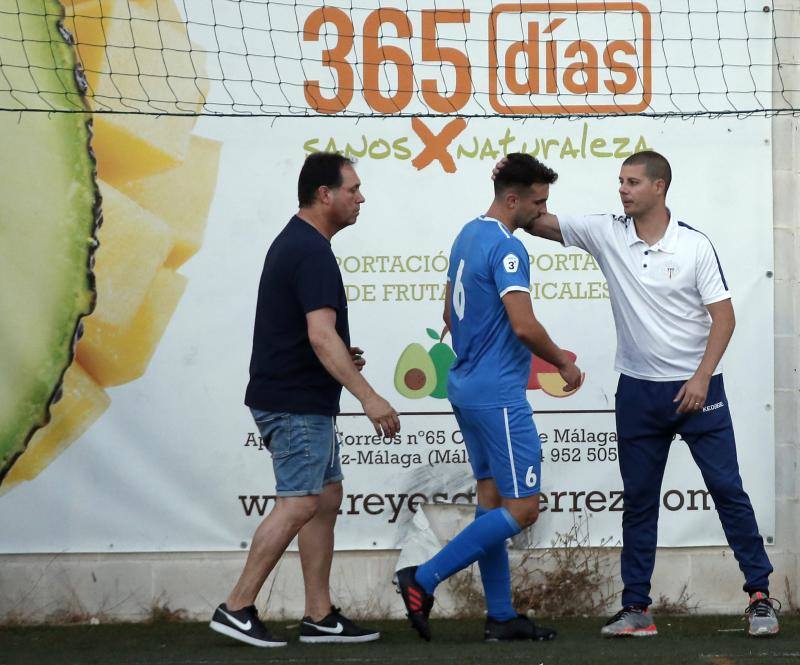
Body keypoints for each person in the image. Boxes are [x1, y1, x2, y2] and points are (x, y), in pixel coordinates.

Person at [502, 150, 778, 638]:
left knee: (728, 491)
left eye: (632, 182)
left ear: (659, 187)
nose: (622, 190)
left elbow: (725, 317)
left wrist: (700, 376)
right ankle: (637, 609)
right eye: (620, 181)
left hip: (699, 392)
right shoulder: (606, 231)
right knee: (640, 502)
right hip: (638, 394)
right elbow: (535, 222)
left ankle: (759, 597)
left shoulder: (694, 246)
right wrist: (513, 187)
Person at [210, 152, 401, 647]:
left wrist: (341, 356)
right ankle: (236, 607)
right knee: (298, 503)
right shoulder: (310, 250)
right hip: (294, 403)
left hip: (304, 398)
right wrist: (371, 397)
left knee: (325, 499)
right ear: (325, 195)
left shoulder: (302, 244)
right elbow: (320, 336)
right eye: (353, 189)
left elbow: (317, 336)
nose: (361, 198)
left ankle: (319, 616)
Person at [394, 153, 583, 642]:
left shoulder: (467, 233)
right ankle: (424, 576)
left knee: (491, 503)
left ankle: (500, 616)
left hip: (466, 389)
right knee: (522, 510)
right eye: (538, 203)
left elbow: (447, 310)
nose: (543, 213)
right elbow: (523, 324)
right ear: (513, 199)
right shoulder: (507, 247)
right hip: (498, 395)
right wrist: (562, 362)